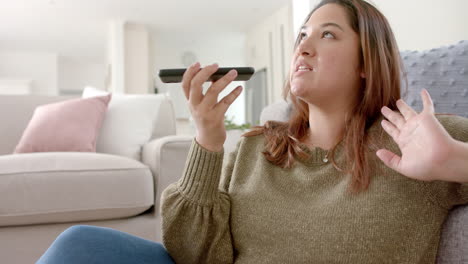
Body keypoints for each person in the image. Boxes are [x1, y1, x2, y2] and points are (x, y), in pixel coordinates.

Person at [37, 0, 468, 263]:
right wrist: (207, 142)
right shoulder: (257, 147)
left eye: (328, 34)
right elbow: (195, 255)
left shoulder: (419, 139)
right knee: (79, 246)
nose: (303, 45)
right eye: (301, 35)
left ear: (365, 63)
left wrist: (453, 161)